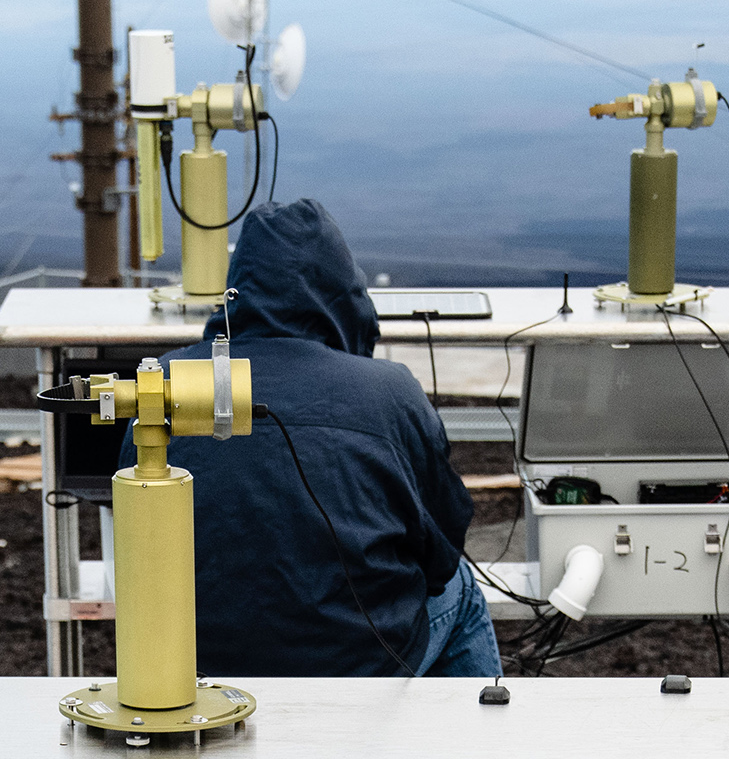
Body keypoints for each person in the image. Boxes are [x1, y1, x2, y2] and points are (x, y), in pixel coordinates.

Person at [177, 199, 500, 682]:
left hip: (195, 667)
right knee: (463, 589)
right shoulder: (389, 391)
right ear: (345, 291)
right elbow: (441, 552)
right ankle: (472, 746)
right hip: (358, 667)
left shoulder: (170, 380)